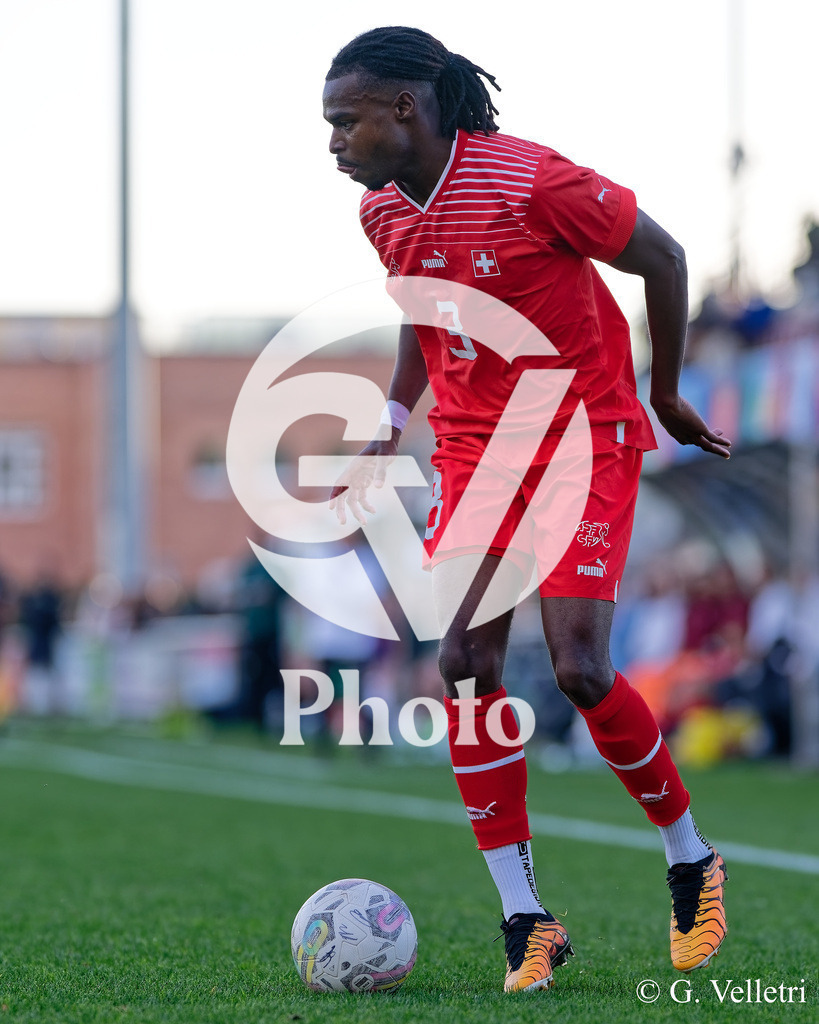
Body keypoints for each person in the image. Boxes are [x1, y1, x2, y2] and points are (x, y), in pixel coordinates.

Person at [323, 26, 730, 993]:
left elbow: (663, 256)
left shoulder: (529, 181)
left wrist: (664, 391)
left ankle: (689, 855)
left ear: (405, 111)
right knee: (462, 664)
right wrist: (391, 418)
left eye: (346, 121)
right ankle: (526, 921)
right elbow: (427, 313)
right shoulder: (384, 214)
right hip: (474, 454)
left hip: (583, 437)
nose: (334, 141)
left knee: (581, 670)